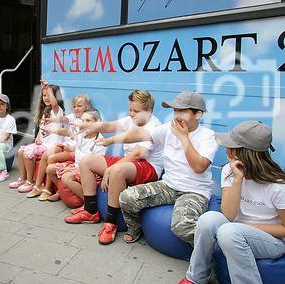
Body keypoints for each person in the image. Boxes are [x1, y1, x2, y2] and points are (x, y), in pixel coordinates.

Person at [103, 91, 218, 245]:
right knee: (126, 197)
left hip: (194, 191)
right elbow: (143, 135)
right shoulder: (168, 129)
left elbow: (199, 167)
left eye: (182, 111)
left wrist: (184, 138)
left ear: (197, 115)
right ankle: (135, 228)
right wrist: (111, 140)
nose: (177, 115)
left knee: (182, 227)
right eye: (175, 110)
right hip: (168, 185)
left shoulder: (208, 136)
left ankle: (211, 251)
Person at [180, 121, 285, 284]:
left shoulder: (278, 185)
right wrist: (238, 179)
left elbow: (284, 229)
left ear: (245, 153)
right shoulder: (230, 171)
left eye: (231, 146)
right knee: (208, 219)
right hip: (236, 228)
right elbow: (229, 214)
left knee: (229, 232)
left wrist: (244, 227)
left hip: (271, 240)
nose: (227, 149)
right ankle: (196, 277)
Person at [64, 90, 163, 245]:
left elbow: (138, 154)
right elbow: (111, 125)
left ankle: (110, 224)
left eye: (136, 111)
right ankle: (90, 211)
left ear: (149, 111)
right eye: (130, 109)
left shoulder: (154, 126)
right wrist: (88, 125)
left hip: (148, 166)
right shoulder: (131, 119)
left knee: (117, 170)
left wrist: (110, 170)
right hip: (129, 162)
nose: (131, 114)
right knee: (86, 161)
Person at [26, 94, 93, 200]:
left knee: (51, 158)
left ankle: (48, 189)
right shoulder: (72, 117)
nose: (76, 108)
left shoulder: (87, 120)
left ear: (87, 106)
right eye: (74, 106)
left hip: (73, 151)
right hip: (65, 146)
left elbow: (82, 141)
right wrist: (53, 120)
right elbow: (63, 119)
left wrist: (72, 148)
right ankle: (38, 186)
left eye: (79, 106)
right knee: (45, 155)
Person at [9, 81, 64, 193]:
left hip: (51, 145)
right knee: (20, 151)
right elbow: (41, 128)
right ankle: (23, 178)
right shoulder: (45, 112)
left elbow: (54, 104)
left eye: (49, 95)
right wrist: (38, 137)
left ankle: (30, 181)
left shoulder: (57, 111)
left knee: (27, 153)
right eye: (44, 95)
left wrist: (47, 88)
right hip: (43, 144)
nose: (46, 98)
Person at [44, 109, 107, 203]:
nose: (84, 124)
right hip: (76, 166)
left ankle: (89, 204)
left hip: (90, 173)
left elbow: (94, 167)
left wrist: (70, 170)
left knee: (67, 177)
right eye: (83, 121)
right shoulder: (82, 134)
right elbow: (67, 132)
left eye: (88, 121)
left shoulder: (100, 141)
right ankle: (61, 191)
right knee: (50, 169)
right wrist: (51, 130)